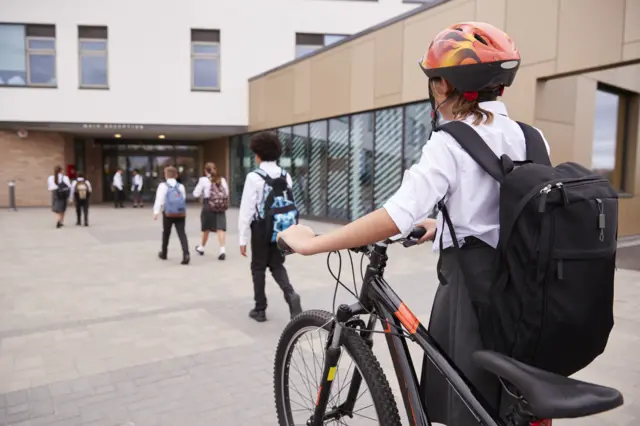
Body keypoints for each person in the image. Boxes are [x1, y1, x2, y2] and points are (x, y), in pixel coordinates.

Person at [277, 22, 550, 426]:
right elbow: (514, 208)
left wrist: (314, 243)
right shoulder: (532, 138)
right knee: (504, 402)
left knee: (466, 404)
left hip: (471, 293)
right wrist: (441, 226)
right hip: (527, 291)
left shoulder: (450, 141)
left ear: (442, 86)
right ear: (500, 88)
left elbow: (394, 217)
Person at [238, 132, 302, 323]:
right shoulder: (286, 175)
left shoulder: (254, 177)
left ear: (257, 154)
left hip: (260, 228)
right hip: (281, 228)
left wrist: (242, 238)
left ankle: (260, 309)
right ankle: (291, 296)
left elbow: (247, 210)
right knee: (277, 265)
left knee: (258, 268)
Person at [153, 166, 190, 265]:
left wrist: (156, 212)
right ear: (176, 175)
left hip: (168, 214)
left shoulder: (163, 186)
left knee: (166, 233)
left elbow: (159, 200)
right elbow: (183, 199)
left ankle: (164, 253)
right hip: (180, 213)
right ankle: (186, 254)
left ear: (166, 175)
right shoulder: (181, 186)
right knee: (182, 233)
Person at [193, 162, 229, 260]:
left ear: (205, 171)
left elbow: (195, 194)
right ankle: (222, 250)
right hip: (220, 206)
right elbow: (227, 193)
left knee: (206, 228)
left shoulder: (203, 180)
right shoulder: (222, 180)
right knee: (220, 228)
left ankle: (201, 247)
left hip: (208, 205)